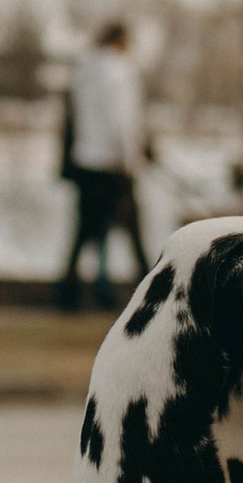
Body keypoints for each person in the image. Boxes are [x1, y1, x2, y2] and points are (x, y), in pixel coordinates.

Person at [57, 17, 153, 310]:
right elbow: (121, 121)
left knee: (86, 231)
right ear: (121, 40)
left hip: (87, 162)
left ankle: (69, 293)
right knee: (134, 231)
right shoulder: (120, 72)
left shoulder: (85, 71)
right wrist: (131, 159)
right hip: (113, 165)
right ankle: (150, 293)